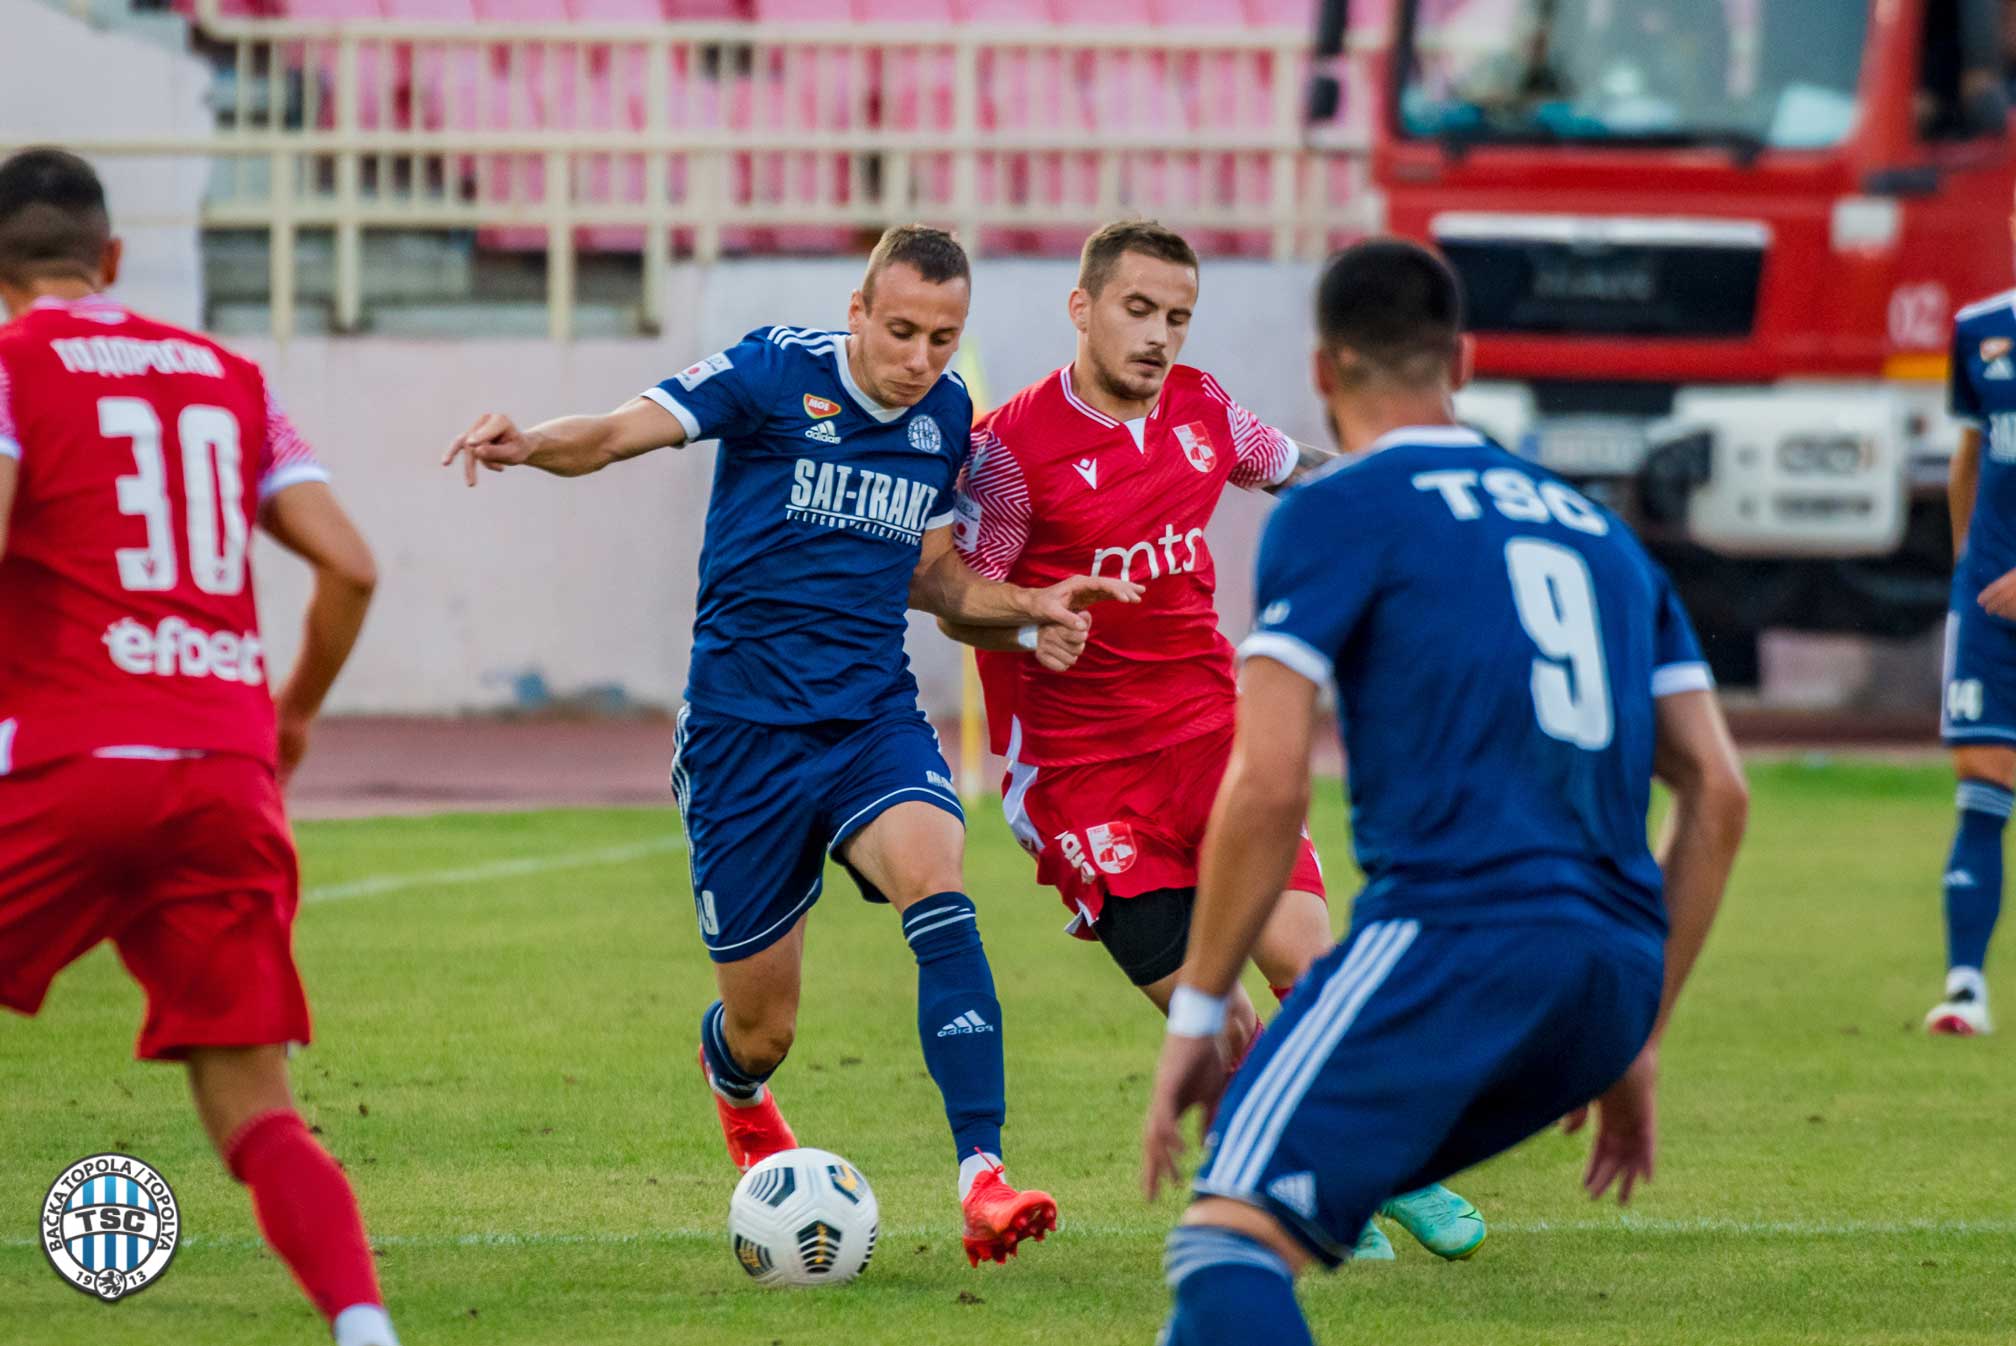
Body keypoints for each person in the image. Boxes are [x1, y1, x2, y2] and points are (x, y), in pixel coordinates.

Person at [442, 225, 1137, 1265]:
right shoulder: (774, 372)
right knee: (764, 1025)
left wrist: (1031, 608)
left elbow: (935, 579)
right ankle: (736, 1080)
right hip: (742, 738)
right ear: (857, 312)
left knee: (939, 883)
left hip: (869, 719)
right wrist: (531, 443)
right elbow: (624, 430)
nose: (920, 359)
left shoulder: (947, 416)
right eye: (900, 330)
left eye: (943, 338)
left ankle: (981, 1176)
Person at [1140, 239, 1748, 1344]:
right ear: (1460, 360)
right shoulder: (1603, 536)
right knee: (1274, 1218)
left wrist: (1198, 1005)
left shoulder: (1337, 510)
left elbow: (1269, 781)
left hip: (1455, 937)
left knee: (1225, 1241)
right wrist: (1640, 1031)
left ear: (1324, 372)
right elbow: (1718, 790)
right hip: (1611, 976)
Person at [942, 219, 1485, 1260]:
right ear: (1084, 307)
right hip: (1081, 776)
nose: (1158, 337)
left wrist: (1410, 487)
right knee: (1224, 1023)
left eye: (1177, 317)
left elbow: (1298, 467)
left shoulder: (1204, 411)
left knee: (1312, 972)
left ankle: (1384, 1168)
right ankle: (1321, 1179)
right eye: (1138, 310)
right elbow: (957, 594)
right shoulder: (1011, 453)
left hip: (1211, 737)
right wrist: (1028, 613)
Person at [0, 149, 395, 1346]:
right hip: (225, 767)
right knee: (257, 1111)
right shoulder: (227, 374)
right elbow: (353, 564)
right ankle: (364, 1327)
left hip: (69, 761)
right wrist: (293, 712)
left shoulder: (12, 364)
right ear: (111, 260)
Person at [1928, 256, 2016, 1035]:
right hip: (1990, 607)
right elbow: (1972, 454)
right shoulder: (1981, 329)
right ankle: (1964, 988)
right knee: (1983, 780)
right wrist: (1968, 567)